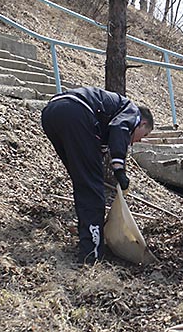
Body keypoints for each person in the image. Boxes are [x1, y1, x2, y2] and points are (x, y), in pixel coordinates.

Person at [41, 86, 154, 264]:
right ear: (142, 123)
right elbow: (120, 127)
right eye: (144, 134)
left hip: (51, 113)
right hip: (75, 113)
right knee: (92, 190)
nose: (139, 140)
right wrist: (119, 169)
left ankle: (86, 232)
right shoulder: (132, 111)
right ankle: (91, 254)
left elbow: (98, 149)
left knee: (83, 180)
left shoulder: (107, 117)